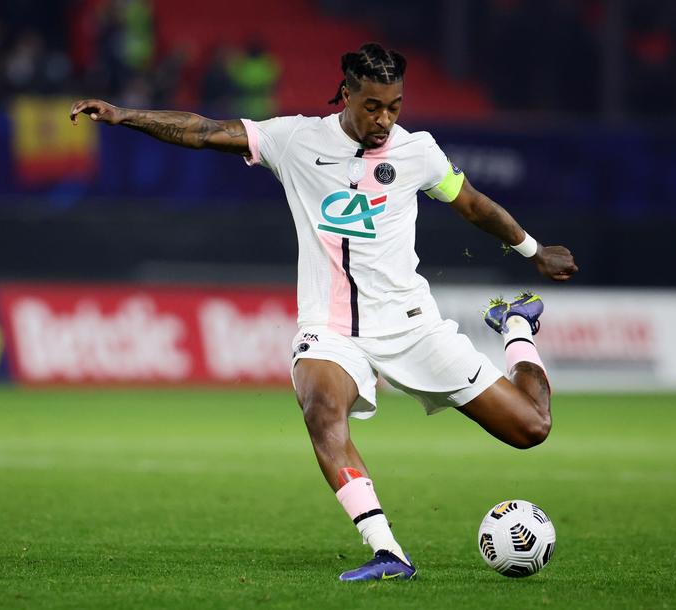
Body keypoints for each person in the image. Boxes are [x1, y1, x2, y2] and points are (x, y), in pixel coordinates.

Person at [70, 42, 578, 582]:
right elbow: (202, 130)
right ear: (346, 95)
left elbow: (472, 203)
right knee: (319, 405)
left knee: (532, 428)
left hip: (411, 326)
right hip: (331, 329)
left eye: (395, 106)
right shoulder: (295, 140)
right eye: (373, 106)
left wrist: (533, 249)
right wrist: (124, 115)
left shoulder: (418, 153)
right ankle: (388, 551)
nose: (384, 119)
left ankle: (518, 325)